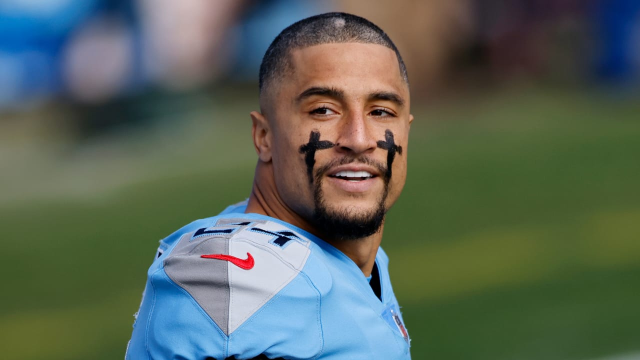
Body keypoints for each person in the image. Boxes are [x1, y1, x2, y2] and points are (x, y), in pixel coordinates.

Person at [126, 12, 413, 360]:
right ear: (264, 136)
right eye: (323, 110)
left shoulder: (357, 257)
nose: (359, 138)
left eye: (381, 111)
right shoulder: (236, 272)